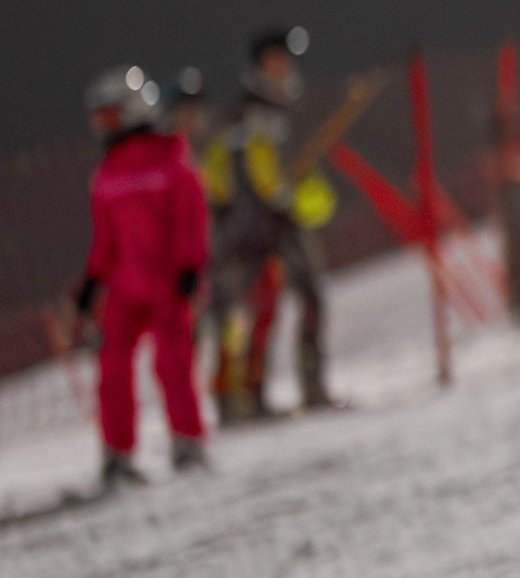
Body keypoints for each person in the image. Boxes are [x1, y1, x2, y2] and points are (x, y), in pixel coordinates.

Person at [77, 67, 210, 485]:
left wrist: (190, 266)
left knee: (173, 363)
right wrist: (92, 280)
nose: (103, 127)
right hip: (122, 289)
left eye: (110, 116)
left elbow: (189, 220)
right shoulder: (108, 172)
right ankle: (117, 453)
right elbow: (105, 238)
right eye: (99, 119)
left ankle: (187, 440)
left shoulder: (170, 158)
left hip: (165, 283)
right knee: (112, 368)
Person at [203, 25, 335, 419]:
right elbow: (240, 175)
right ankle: (240, 399)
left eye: (286, 60)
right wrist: (272, 196)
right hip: (250, 227)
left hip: (283, 219)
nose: (283, 68)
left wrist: (303, 194)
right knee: (247, 311)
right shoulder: (244, 115)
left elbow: (296, 170)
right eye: (275, 60)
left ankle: (312, 387)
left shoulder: (286, 111)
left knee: (308, 297)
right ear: (259, 66)